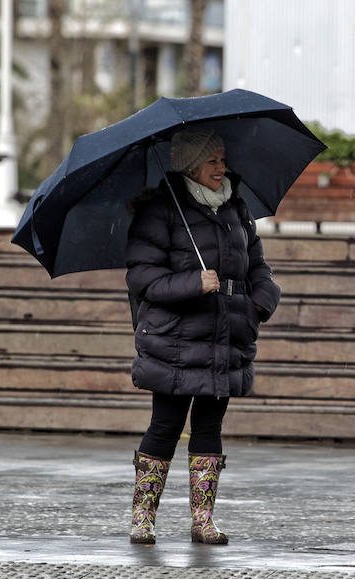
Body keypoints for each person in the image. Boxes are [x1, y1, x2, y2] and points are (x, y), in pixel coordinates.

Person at [124, 123, 280, 545]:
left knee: (210, 427)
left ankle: (203, 521)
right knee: (165, 426)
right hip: (176, 342)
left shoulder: (236, 208)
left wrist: (260, 302)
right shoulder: (161, 211)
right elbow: (143, 278)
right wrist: (193, 283)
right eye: (212, 160)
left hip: (225, 337)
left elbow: (258, 266)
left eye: (222, 159)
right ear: (190, 165)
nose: (221, 167)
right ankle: (143, 519)